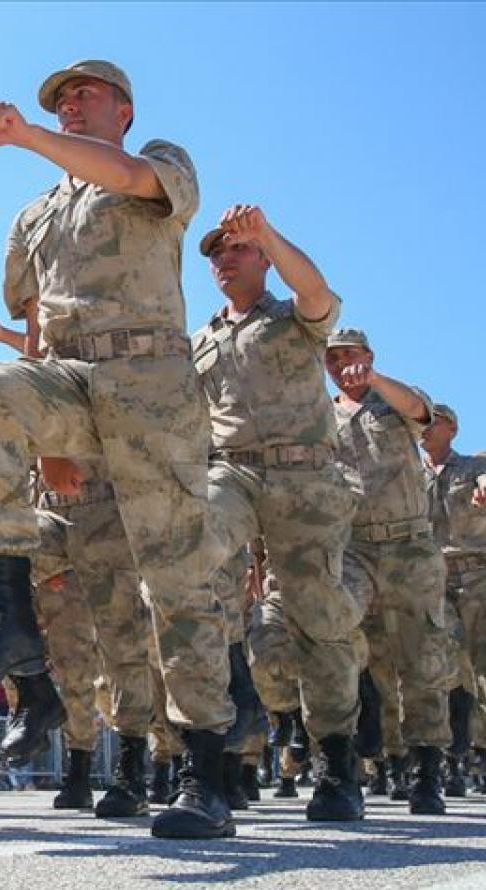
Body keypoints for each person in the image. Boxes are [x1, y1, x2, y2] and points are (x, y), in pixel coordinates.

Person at [0, 60, 233, 839]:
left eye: (85, 93)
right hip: (69, 376)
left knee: (176, 580)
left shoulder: (160, 161)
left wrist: (28, 135)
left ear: (124, 109)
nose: (70, 103)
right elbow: (33, 323)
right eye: (59, 98)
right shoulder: (34, 215)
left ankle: (204, 769)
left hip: (149, 378)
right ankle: (12, 619)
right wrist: (43, 444)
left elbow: (132, 176)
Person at [188, 205, 366, 821]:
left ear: (263, 259)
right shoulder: (201, 342)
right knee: (188, 558)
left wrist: (265, 231)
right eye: (217, 252)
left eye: (237, 248)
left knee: (317, 619)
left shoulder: (294, 318)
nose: (225, 258)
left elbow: (316, 289)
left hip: (304, 474)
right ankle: (210, 746)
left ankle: (337, 763)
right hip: (231, 470)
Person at [0, 310, 155, 818]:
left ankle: (129, 765)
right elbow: (34, 359)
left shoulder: (125, 357)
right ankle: (32, 692)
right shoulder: (42, 364)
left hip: (107, 509)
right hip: (52, 518)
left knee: (117, 643)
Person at [326, 328, 455, 815]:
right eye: (333, 358)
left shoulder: (395, 404)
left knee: (422, 659)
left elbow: (421, 410)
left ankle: (426, 769)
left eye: (350, 356)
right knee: (332, 632)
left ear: (369, 356)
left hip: (409, 545)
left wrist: (375, 379)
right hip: (354, 547)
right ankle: (338, 761)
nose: (342, 365)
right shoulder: (320, 415)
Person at [422, 404, 486, 797]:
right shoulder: (408, 474)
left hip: (478, 574)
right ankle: (448, 756)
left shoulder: (470, 468)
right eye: (421, 424)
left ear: (452, 428)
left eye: (433, 423)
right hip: (433, 578)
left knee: (482, 670)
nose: (424, 430)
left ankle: (482, 752)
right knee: (441, 668)